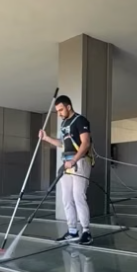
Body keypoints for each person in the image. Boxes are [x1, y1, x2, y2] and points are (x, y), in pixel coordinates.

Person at [39, 95, 94, 245]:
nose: (59, 113)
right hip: (67, 165)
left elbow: (85, 143)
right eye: (57, 111)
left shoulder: (80, 120)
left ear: (68, 107)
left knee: (78, 196)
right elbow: (61, 143)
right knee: (67, 198)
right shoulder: (64, 124)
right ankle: (72, 231)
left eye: (61, 110)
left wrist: (74, 160)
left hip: (79, 162)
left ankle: (86, 232)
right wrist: (46, 138)